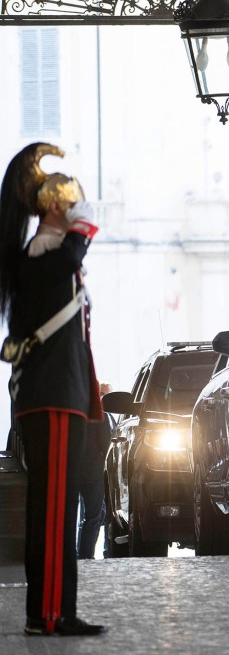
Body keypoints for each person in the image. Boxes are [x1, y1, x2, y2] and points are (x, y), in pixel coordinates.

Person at [0, 143, 106, 637]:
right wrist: (78, 219)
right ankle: (48, 614)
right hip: (52, 395)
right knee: (53, 508)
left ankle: (54, 611)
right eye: (71, 202)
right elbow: (77, 245)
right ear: (57, 209)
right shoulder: (46, 254)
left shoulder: (46, 256)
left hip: (56, 394)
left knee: (58, 508)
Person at [78, 382, 113, 560]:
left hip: (73, 471)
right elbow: (106, 445)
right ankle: (85, 556)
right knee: (93, 517)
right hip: (93, 473)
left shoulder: (73, 413)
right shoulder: (99, 415)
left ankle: (79, 554)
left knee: (88, 516)